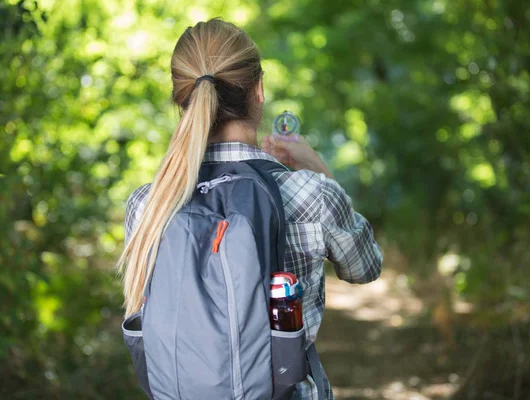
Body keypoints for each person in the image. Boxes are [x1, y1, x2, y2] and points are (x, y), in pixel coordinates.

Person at [118, 17, 383, 400]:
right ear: (258, 89)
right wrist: (318, 169)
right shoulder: (310, 192)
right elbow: (365, 267)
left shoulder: (149, 206)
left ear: (182, 99)